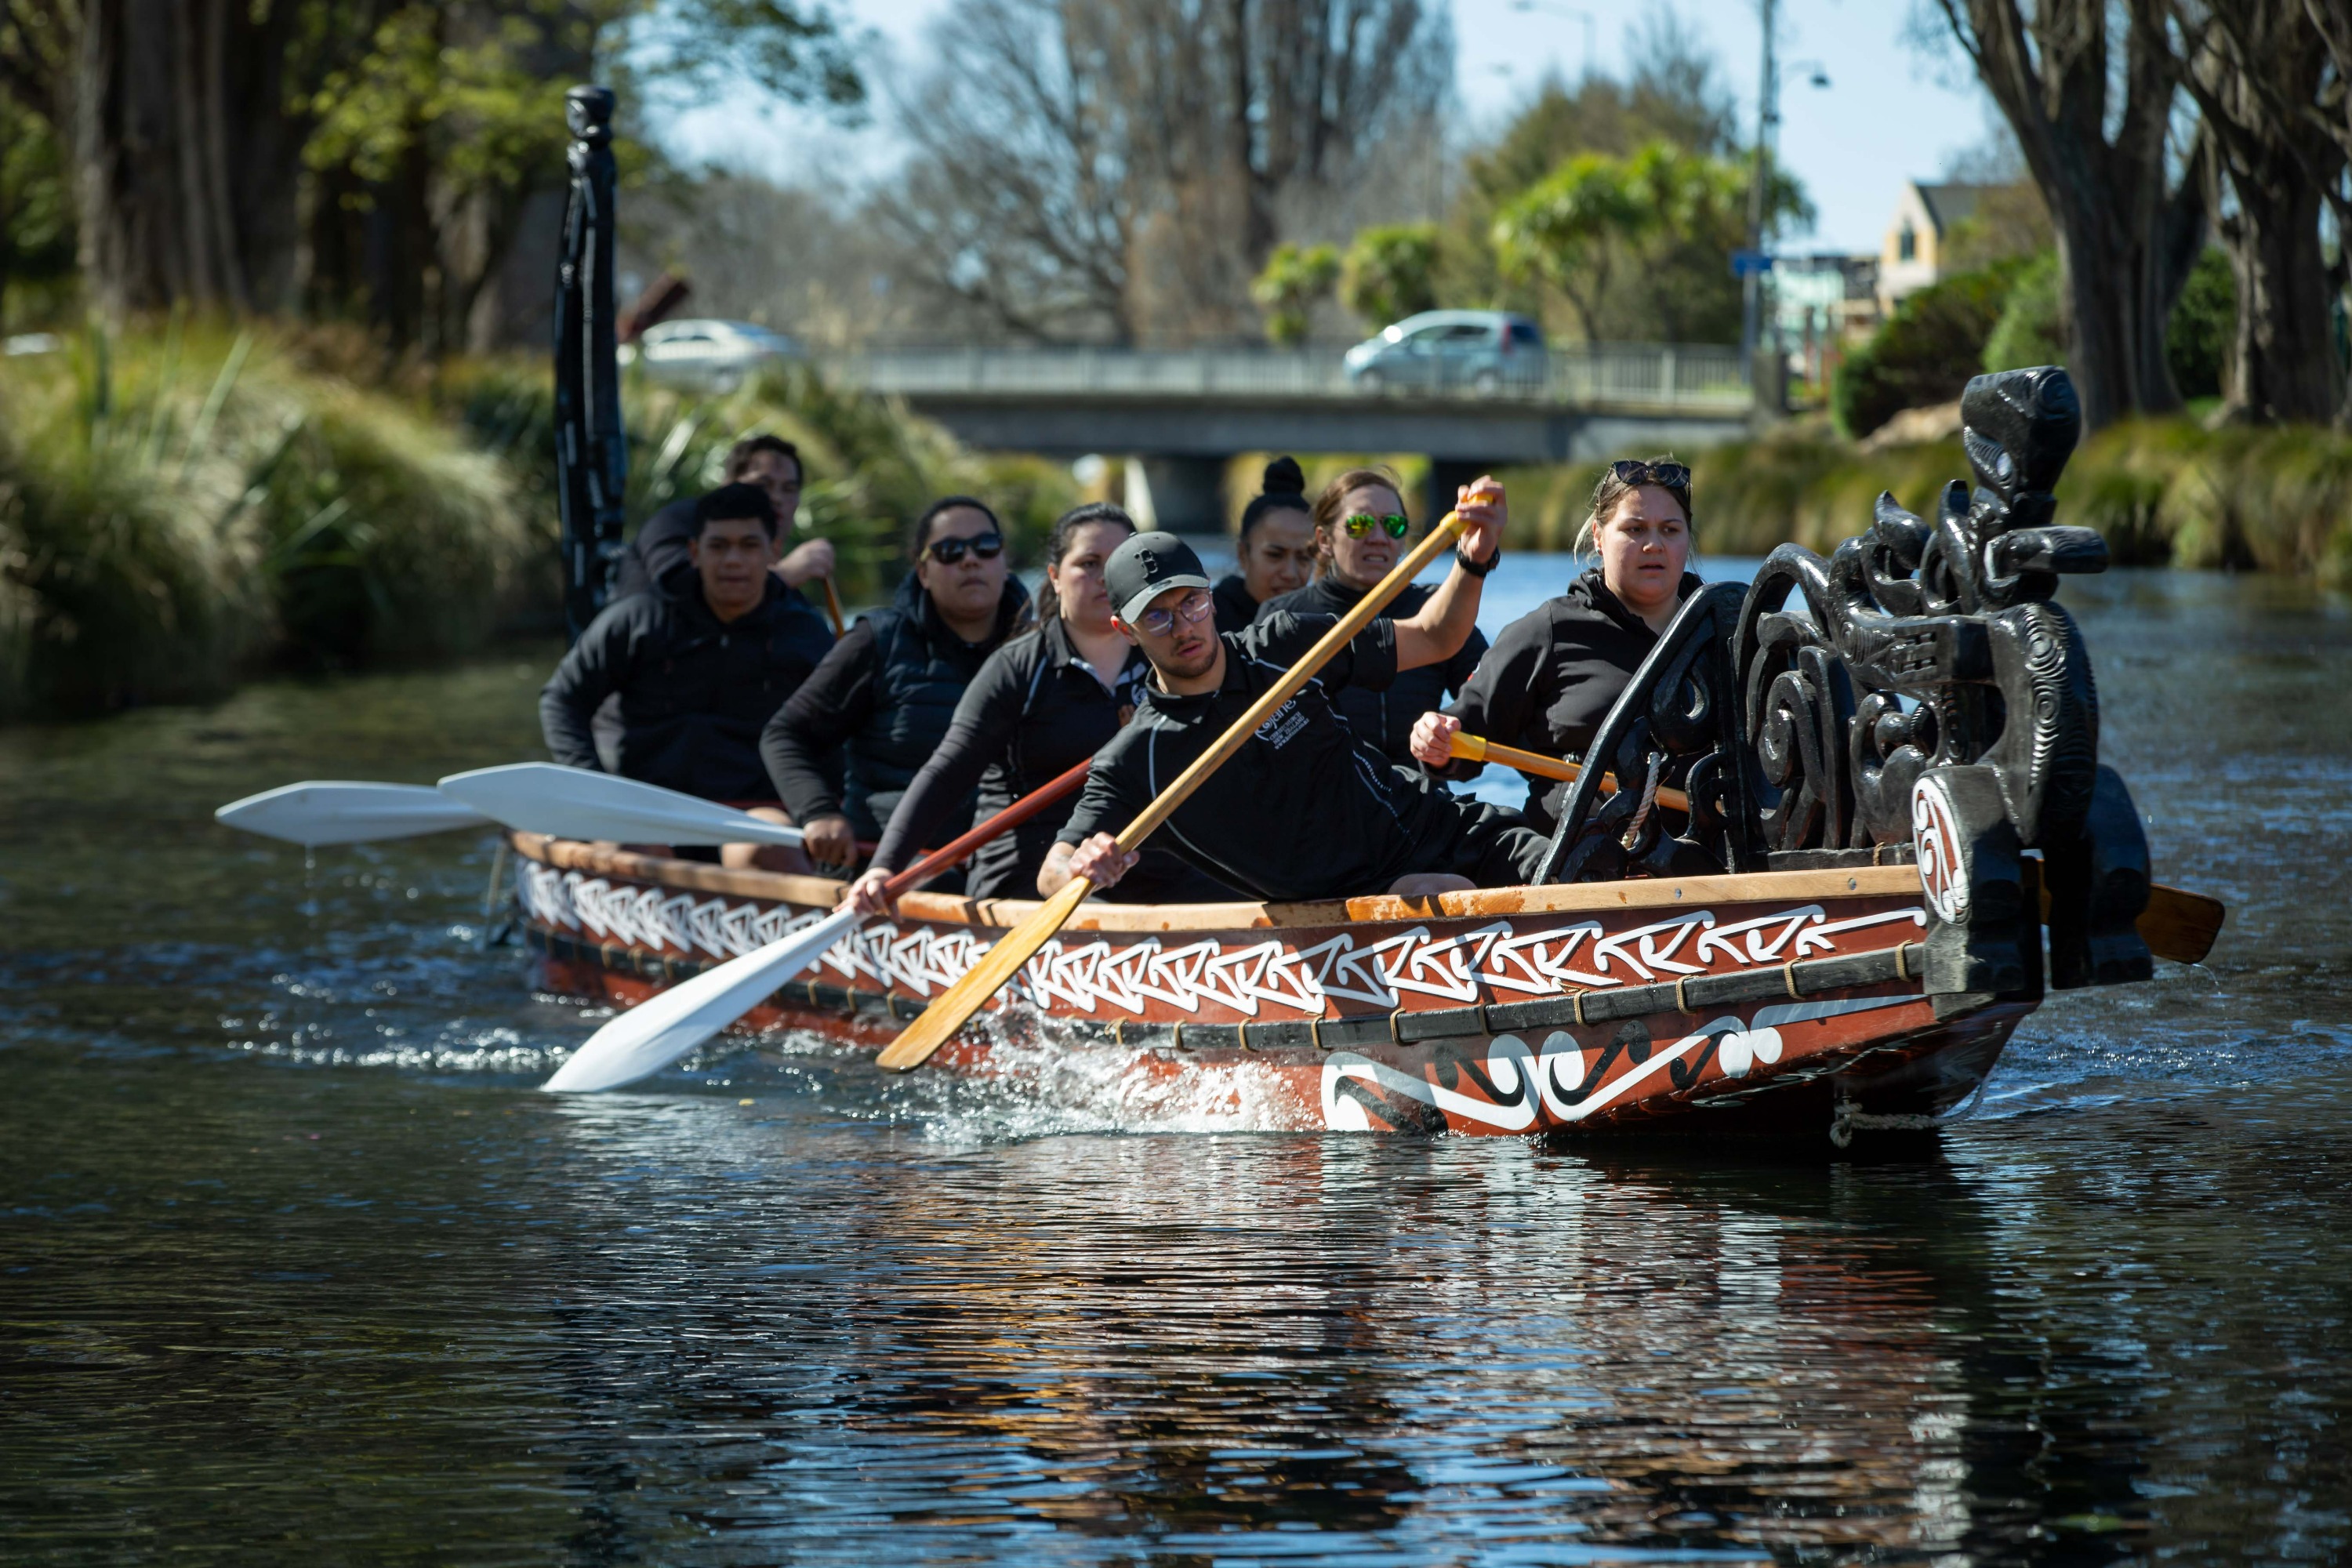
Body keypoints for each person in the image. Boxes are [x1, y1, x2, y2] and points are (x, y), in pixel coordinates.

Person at [1044, 486, 1552, 905]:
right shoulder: (1137, 759)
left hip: (1450, 830)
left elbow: (1436, 636)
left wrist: (1474, 558)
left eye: (1192, 602)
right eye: (1157, 615)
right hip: (1363, 908)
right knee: (1447, 896)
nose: (1183, 627)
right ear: (1125, 629)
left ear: (1211, 598)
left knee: (1583, 870)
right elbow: (1054, 871)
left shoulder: (1282, 645)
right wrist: (1083, 865)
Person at [838, 504, 1232, 913]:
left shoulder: (1173, 655)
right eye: (1088, 563)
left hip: (1149, 870)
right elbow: (947, 773)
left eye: (1116, 564)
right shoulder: (1016, 669)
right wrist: (885, 867)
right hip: (1028, 878)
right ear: (1055, 577)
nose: (1104, 578)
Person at [1409, 457, 1701, 836]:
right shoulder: (1550, 630)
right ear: (1598, 536)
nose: (1653, 545)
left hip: (1711, 864)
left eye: (1670, 530)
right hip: (1581, 865)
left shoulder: (1726, 627)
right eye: (1635, 529)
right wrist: (1434, 737)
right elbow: (1460, 739)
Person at [762, 495, 1029, 872]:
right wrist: (818, 812)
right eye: (949, 551)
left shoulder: (1044, 648)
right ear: (923, 573)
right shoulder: (877, 641)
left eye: (986, 547)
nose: (971, 560)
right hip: (890, 870)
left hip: (1015, 868)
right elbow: (785, 734)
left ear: (1004, 562)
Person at [539, 482, 836, 814]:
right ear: (695, 553)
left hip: (755, 815)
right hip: (641, 809)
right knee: (638, 849)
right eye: (718, 546)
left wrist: (823, 810)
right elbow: (562, 699)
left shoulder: (807, 634)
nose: (733, 560)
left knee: (763, 850)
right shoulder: (637, 619)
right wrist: (592, 787)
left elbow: (840, 730)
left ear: (774, 552)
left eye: (749, 545)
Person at [1254, 466, 1486, 768]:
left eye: (1394, 526)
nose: (1379, 537)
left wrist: (1446, 742)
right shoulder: (1283, 618)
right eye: (1360, 525)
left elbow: (1489, 713)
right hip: (1323, 800)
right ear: (1324, 541)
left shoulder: (1441, 610)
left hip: (1418, 800)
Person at [615, 434, 835, 601]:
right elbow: (677, 588)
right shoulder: (678, 519)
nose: (776, 498)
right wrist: (786, 575)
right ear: (728, 485)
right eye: (762, 485)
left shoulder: (788, 602)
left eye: (789, 489)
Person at [1210, 456, 1318, 633]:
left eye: (1304, 558)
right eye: (1275, 555)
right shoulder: (1206, 623)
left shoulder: (1321, 620)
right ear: (1243, 555)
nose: (1290, 573)